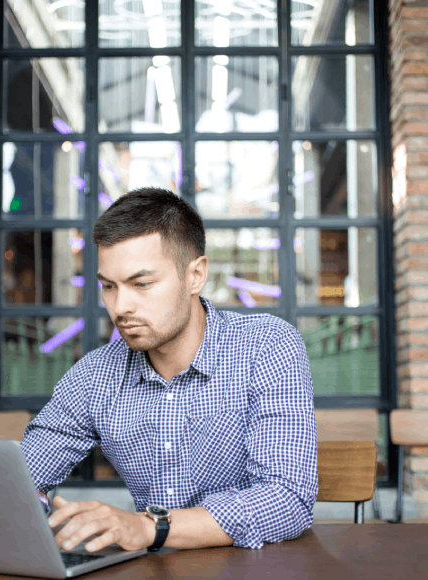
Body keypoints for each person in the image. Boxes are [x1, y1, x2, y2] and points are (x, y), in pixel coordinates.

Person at [20, 187, 317, 554]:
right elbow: (21, 479)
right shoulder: (95, 375)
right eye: (109, 287)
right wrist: (35, 509)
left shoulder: (266, 345)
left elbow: (287, 499)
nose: (120, 307)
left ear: (195, 275)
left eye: (141, 284)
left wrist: (150, 528)